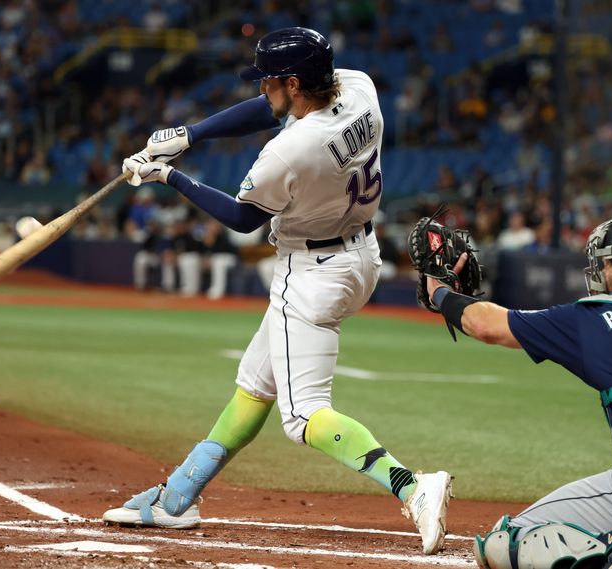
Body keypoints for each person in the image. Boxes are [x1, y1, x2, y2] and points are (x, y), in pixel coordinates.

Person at [102, 27, 452, 555]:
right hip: (361, 255)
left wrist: (168, 177)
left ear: (293, 82)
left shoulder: (289, 151)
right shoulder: (359, 87)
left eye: (270, 81)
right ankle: (177, 499)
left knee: (303, 415)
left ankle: (411, 486)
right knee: (255, 384)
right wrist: (191, 135)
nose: (263, 90)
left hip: (310, 272)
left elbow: (243, 219)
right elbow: (270, 110)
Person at [424, 215, 612, 569]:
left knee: (507, 541)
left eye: (605, 262)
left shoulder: (596, 317)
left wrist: (440, 292)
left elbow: (485, 325)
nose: (600, 270)